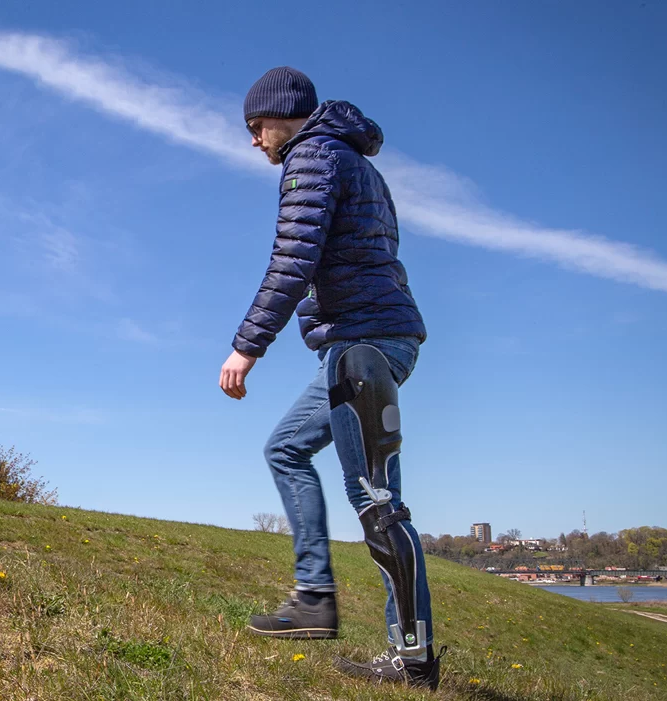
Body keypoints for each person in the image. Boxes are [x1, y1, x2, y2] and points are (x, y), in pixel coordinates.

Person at [219, 66, 444, 690]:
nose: (254, 140)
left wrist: (246, 347)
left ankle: (411, 658)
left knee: (377, 501)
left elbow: (293, 259)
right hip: (369, 342)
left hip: (363, 346)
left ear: (282, 114)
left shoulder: (312, 157)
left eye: (256, 126)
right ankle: (315, 599)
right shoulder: (353, 160)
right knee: (287, 448)